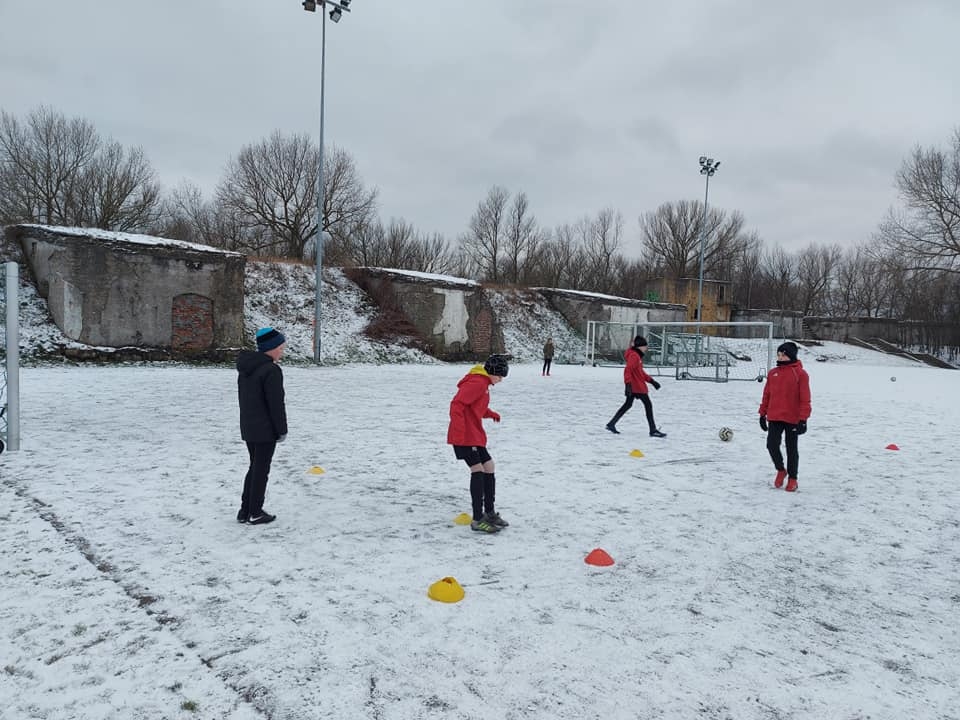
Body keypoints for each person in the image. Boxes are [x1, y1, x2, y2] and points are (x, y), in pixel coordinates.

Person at [447, 354, 510, 534]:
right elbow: (457, 404)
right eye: (500, 376)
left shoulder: (483, 384)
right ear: (493, 372)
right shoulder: (477, 383)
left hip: (474, 435)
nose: (501, 380)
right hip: (465, 436)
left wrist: (490, 413)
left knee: (489, 466)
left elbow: (475, 407)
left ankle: (489, 512)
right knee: (478, 469)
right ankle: (477, 519)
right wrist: (459, 431)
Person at [236, 327, 288, 525]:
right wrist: (281, 430)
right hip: (266, 429)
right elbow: (276, 404)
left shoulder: (246, 368)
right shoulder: (271, 370)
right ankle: (255, 512)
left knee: (254, 467)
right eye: (280, 348)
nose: (282, 352)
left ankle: (245, 510)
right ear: (271, 348)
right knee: (261, 470)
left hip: (249, 426)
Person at [759, 341, 811, 492]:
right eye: (779, 355)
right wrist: (762, 414)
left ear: (791, 356)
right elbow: (767, 395)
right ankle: (781, 470)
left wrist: (803, 419)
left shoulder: (801, 374)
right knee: (771, 445)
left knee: (791, 449)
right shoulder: (773, 373)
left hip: (793, 418)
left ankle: (793, 478)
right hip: (775, 416)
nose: (780, 357)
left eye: (783, 355)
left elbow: (805, 398)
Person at [605, 335, 665, 437]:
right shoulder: (634, 356)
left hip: (635, 386)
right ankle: (653, 430)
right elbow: (627, 370)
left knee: (628, 405)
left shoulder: (636, 355)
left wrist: (652, 381)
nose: (646, 348)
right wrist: (628, 385)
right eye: (645, 346)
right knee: (648, 405)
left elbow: (640, 372)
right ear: (639, 346)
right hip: (636, 387)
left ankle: (611, 424)